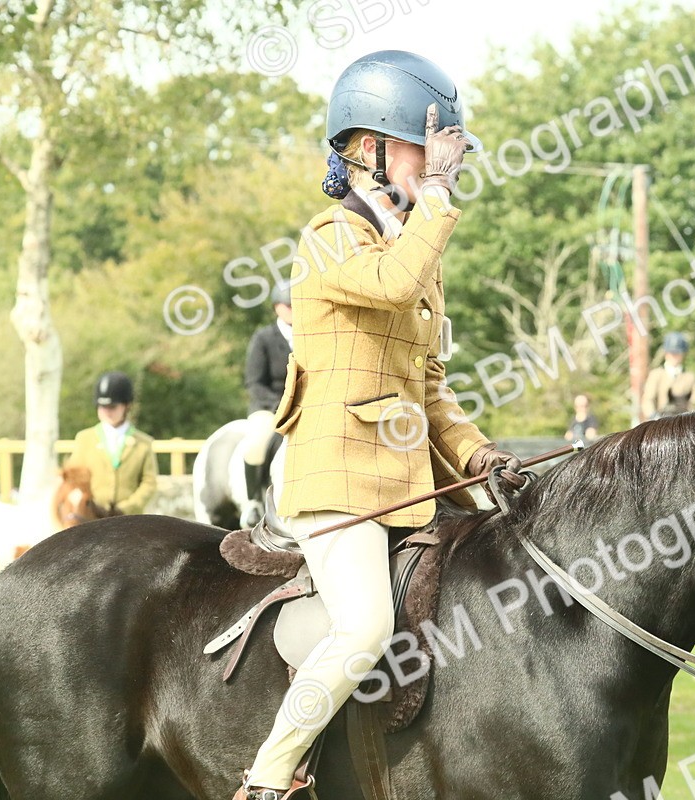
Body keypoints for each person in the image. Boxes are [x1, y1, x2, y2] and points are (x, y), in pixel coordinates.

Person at [234, 51, 524, 800]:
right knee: (364, 629)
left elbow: (430, 390)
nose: (443, 167)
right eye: (427, 151)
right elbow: (392, 286)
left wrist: (480, 456)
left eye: (446, 158)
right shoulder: (328, 237)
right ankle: (268, 777)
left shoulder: (415, 248)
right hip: (337, 476)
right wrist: (437, 197)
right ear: (371, 148)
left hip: (410, 481)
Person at [65, 371, 157, 515]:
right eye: (102, 407)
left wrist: (126, 508)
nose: (107, 411)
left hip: (130, 517)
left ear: (126, 406)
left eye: (113, 407)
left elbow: (149, 483)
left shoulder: (143, 443)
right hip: (91, 515)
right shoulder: (84, 439)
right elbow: (74, 478)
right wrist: (87, 504)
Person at [241, 283, 294, 526]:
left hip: (304, 406)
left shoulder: (309, 336)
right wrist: (280, 404)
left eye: (296, 305)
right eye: (287, 305)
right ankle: (253, 501)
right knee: (256, 444)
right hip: (268, 407)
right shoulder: (263, 338)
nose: (292, 309)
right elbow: (254, 383)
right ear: (276, 307)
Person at [641, 332, 695, 420]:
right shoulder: (656, 374)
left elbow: (693, 402)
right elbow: (648, 400)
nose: (674, 356)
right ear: (666, 353)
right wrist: (654, 416)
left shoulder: (690, 377)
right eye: (672, 353)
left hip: (684, 420)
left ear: (683, 354)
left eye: (677, 353)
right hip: (660, 419)